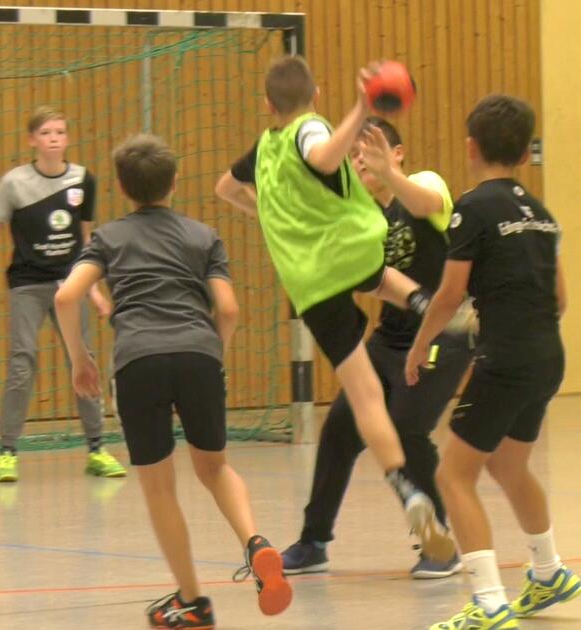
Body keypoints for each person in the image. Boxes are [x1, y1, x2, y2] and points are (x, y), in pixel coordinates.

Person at [216, 55, 464, 562]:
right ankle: (419, 299)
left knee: (367, 397)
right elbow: (323, 156)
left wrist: (266, 214)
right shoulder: (312, 129)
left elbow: (225, 188)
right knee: (371, 277)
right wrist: (359, 106)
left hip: (311, 280)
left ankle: (407, 488)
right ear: (319, 94)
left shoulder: (265, 149)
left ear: (267, 105)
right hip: (352, 251)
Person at [55, 133, 293, 629]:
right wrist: (212, 354)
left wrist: (81, 360)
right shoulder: (203, 236)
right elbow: (227, 308)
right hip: (198, 353)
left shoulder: (109, 238)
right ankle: (256, 542)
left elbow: (65, 297)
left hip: (137, 360)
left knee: (160, 489)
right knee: (215, 469)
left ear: (122, 187)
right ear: (176, 182)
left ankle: (191, 602)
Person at [405, 94, 581, 629]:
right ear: (526, 155)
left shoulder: (472, 207)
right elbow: (560, 299)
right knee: (508, 464)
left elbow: (449, 294)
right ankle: (549, 572)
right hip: (548, 355)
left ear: (470, 147)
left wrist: (419, 347)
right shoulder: (543, 215)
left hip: (504, 359)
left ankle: (488, 603)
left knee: (453, 474)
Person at [280, 116, 473, 579]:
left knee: (408, 430)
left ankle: (441, 544)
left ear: (397, 153)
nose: (359, 161)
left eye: (368, 152)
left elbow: (426, 201)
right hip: (390, 339)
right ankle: (314, 541)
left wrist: (389, 174)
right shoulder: (366, 220)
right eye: (354, 157)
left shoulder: (425, 185)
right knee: (340, 430)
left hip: (444, 336)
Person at [0, 106, 124, 483]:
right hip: (28, 285)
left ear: (67, 139)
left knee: (81, 361)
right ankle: (7, 451)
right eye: (46, 132)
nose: (54, 138)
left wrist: (95, 289)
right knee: (23, 361)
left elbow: (87, 239)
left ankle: (97, 448)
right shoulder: (14, 183)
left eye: (60, 132)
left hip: (70, 285)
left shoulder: (83, 180)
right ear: (32, 140)